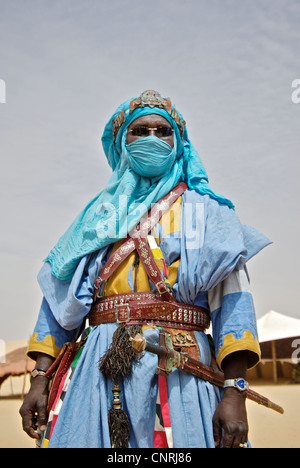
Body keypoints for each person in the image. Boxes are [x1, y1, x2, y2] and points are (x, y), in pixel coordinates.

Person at [20, 89, 270, 448]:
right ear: (123, 142)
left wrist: (235, 392)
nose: (151, 138)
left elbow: (233, 305)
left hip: (181, 365)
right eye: (140, 131)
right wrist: (40, 379)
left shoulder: (208, 214)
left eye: (161, 131)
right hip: (99, 370)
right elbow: (60, 306)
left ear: (177, 142)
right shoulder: (95, 220)